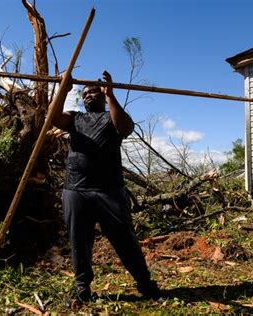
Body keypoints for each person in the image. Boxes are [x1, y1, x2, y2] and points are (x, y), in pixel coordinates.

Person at [52, 71, 161, 307]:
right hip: (76, 191)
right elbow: (52, 118)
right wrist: (63, 89)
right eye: (85, 93)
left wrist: (111, 95)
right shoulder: (75, 118)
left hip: (109, 191)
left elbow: (125, 127)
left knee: (124, 239)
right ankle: (82, 288)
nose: (90, 95)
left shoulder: (111, 117)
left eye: (94, 92)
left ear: (102, 96)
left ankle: (144, 283)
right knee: (78, 241)